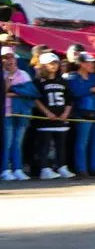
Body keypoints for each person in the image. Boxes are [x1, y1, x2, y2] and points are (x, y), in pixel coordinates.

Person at [66, 52, 95, 177]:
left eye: (92, 62)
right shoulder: (72, 77)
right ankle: (81, 168)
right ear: (81, 63)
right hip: (82, 111)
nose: (91, 64)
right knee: (82, 141)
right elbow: (74, 92)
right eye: (88, 62)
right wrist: (92, 90)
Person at [32, 52, 71, 180]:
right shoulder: (38, 82)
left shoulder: (63, 81)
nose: (54, 66)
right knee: (45, 145)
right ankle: (45, 169)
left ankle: (62, 166)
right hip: (45, 119)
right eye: (51, 64)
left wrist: (66, 113)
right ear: (43, 65)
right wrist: (47, 113)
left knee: (61, 144)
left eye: (56, 63)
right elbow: (36, 99)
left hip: (61, 119)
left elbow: (69, 99)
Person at [2, 45, 35, 180]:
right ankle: (4, 170)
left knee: (17, 143)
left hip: (21, 112)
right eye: (5, 58)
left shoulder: (23, 74)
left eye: (11, 57)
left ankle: (18, 169)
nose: (10, 60)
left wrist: (15, 92)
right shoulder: (3, 75)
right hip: (7, 113)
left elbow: (31, 92)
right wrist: (9, 77)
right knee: (7, 143)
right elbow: (4, 92)